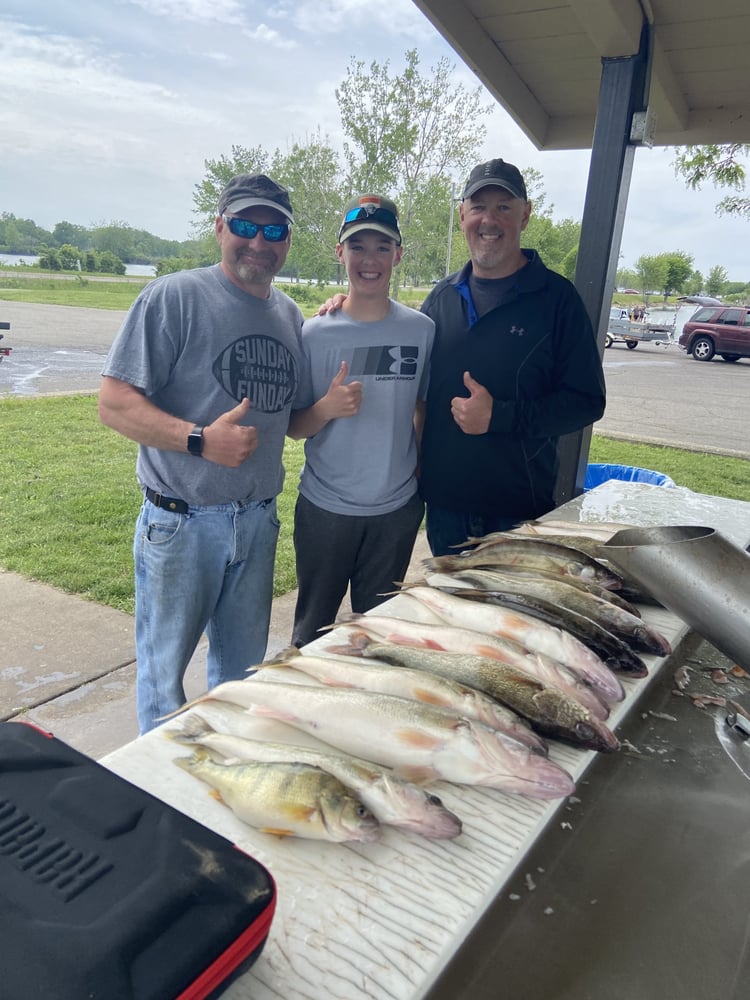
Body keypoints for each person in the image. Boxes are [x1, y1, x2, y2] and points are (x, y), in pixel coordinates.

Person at [99, 173, 305, 733]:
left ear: (288, 241)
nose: (258, 241)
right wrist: (199, 440)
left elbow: (290, 422)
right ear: (219, 228)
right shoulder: (175, 296)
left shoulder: (290, 318)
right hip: (181, 525)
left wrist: (328, 408)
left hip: (258, 524)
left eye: (273, 229)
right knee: (164, 679)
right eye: (244, 225)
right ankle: (156, 803)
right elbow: (115, 403)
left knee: (241, 681)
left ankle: (221, 794)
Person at [419, 158, 606, 555]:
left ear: (525, 214)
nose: (489, 220)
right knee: (455, 618)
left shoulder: (558, 301)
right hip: (444, 511)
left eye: (504, 207)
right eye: (479, 207)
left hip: (518, 513)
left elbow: (587, 401)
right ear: (462, 215)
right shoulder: (440, 299)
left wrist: (500, 416)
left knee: (508, 620)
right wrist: (349, 305)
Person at [287, 194, 434, 648]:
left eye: (382, 247)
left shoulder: (421, 330)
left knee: (375, 638)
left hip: (396, 512)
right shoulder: (314, 333)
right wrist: (326, 408)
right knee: (312, 636)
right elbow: (294, 426)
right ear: (340, 253)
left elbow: (421, 404)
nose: (370, 260)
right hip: (326, 509)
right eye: (358, 247)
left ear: (398, 255)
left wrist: (418, 468)